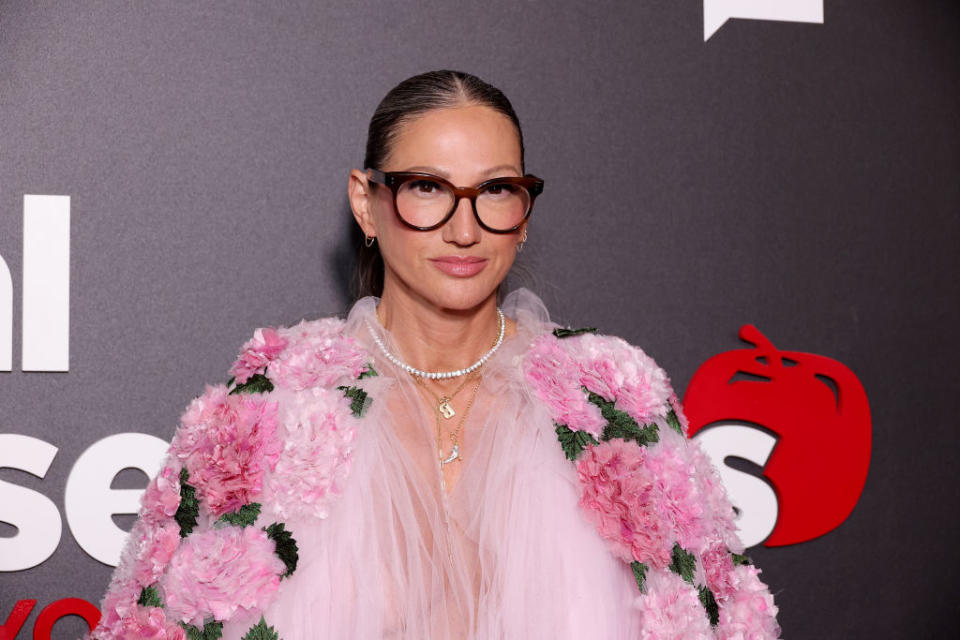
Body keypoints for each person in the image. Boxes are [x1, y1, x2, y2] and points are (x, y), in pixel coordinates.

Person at [89, 70, 780, 640]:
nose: (464, 227)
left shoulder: (613, 398)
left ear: (524, 212)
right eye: (427, 188)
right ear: (367, 202)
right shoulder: (273, 405)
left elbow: (725, 623)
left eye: (496, 191)